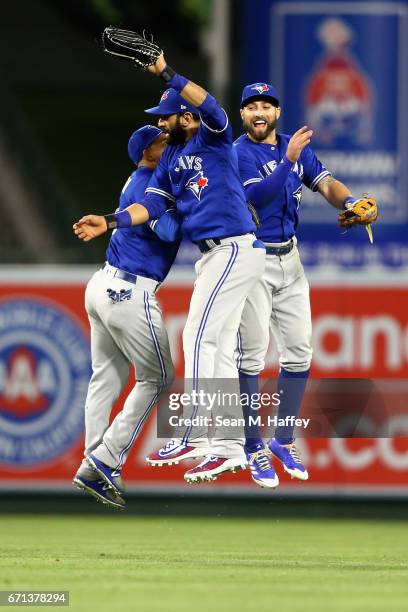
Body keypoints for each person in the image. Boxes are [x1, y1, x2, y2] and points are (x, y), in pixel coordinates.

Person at [73, 50, 266, 485]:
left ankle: (197, 434)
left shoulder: (212, 138)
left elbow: (213, 106)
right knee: (214, 344)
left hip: (234, 247)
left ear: (187, 117)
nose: (161, 123)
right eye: (159, 120)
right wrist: (109, 221)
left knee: (199, 336)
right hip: (215, 254)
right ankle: (228, 444)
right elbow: (150, 207)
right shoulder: (169, 165)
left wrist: (166, 72)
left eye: (167, 118)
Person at [233, 82, 377, 488]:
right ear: (243, 116)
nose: (259, 111)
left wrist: (349, 202)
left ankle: (281, 440)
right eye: (251, 106)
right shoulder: (236, 154)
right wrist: (288, 161)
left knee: (298, 352)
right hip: (253, 260)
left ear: (277, 113)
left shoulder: (296, 148)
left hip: (290, 260)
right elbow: (258, 198)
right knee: (251, 357)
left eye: (266, 105)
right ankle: (251, 446)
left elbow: (327, 183)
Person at [73, 125, 181, 509]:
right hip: (128, 289)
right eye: (161, 141)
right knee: (159, 377)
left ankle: (92, 461)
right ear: (146, 151)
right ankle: (104, 460)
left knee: (107, 377)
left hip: (103, 283)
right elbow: (167, 231)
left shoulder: (143, 177)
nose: (167, 143)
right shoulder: (149, 181)